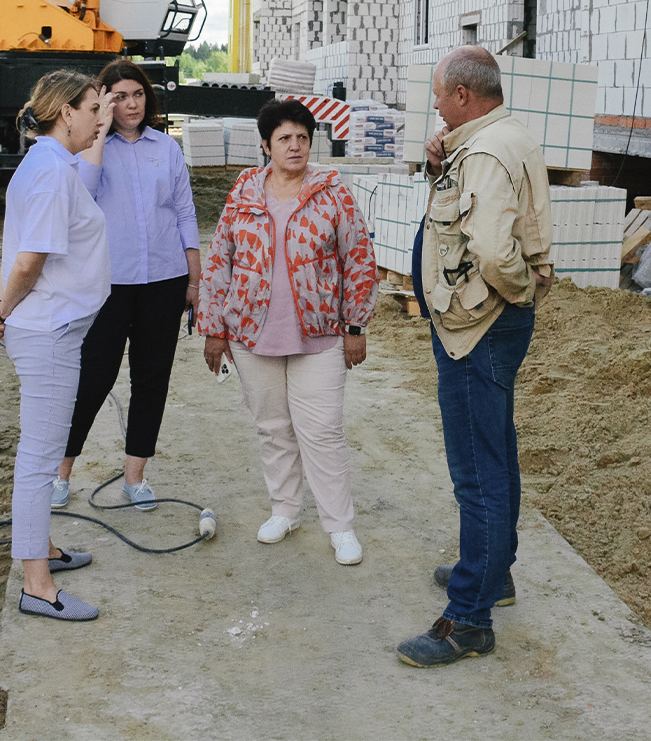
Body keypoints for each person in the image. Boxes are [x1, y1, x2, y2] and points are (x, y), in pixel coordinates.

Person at [396, 46, 552, 668]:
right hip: (486, 324)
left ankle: (469, 619)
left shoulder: (486, 152)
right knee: (497, 451)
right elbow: (466, 220)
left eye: (439, 94)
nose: (434, 105)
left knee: (477, 472)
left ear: (464, 94)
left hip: (477, 329)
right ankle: (493, 572)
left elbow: (489, 247)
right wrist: (440, 166)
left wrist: (513, 293)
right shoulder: (498, 138)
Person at [198, 98, 377, 566]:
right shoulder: (244, 193)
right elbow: (220, 261)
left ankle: (340, 526)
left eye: (302, 137)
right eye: (284, 138)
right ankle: (285, 509)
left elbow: (358, 257)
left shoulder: (332, 193)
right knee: (273, 428)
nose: (294, 146)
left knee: (322, 431)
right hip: (252, 334)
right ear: (266, 145)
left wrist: (356, 324)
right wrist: (213, 328)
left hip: (319, 336)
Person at [0, 70, 112, 622]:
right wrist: (2, 312)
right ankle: (36, 584)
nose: (101, 119)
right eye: (94, 108)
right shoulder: (53, 173)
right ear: (65, 111)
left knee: (42, 453)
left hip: (52, 325)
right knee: (39, 461)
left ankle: (43, 549)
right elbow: (30, 261)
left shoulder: (50, 165)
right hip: (47, 330)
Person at [53, 59, 200, 510]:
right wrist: (98, 132)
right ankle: (60, 472)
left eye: (137, 94)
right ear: (103, 101)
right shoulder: (88, 148)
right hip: (109, 283)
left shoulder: (166, 148)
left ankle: (135, 477)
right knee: (93, 377)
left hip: (164, 279)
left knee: (152, 379)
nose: (131, 104)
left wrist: (195, 276)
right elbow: (85, 191)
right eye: (118, 96)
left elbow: (183, 211)